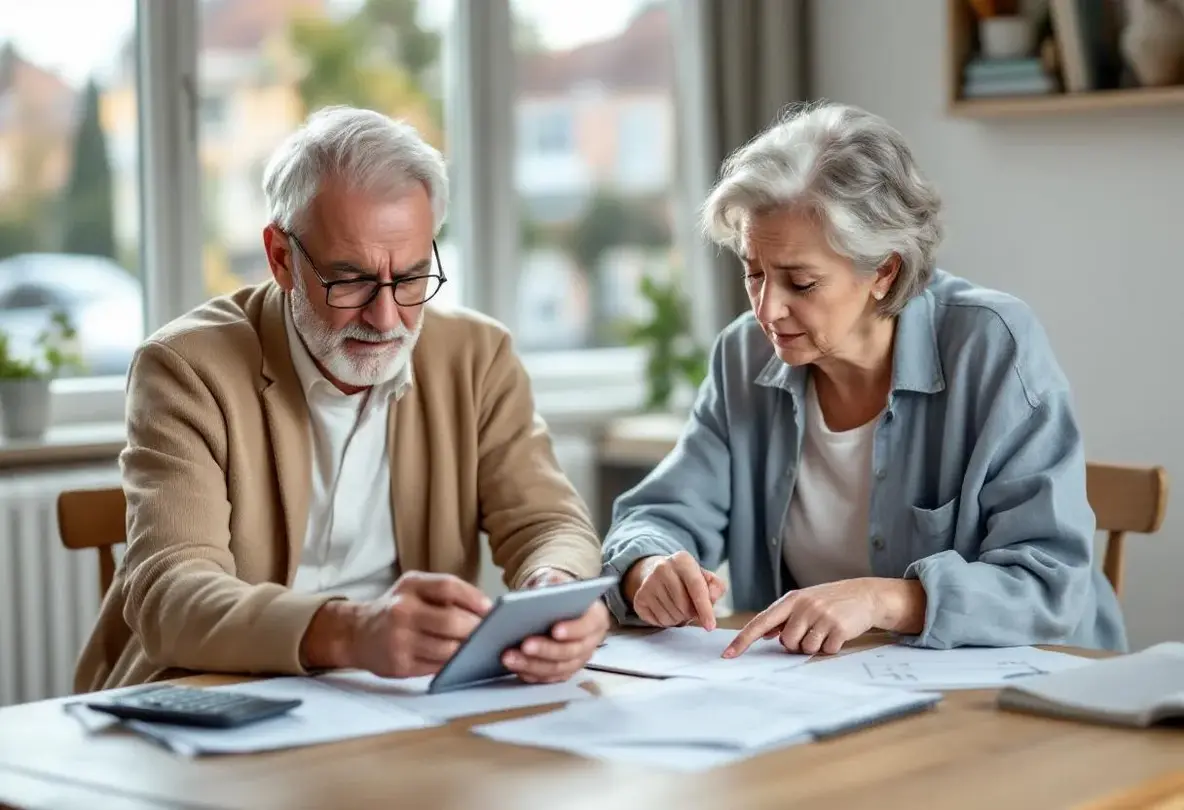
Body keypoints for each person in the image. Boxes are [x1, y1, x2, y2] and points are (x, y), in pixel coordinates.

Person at [75, 106, 609, 692]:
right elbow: (171, 592)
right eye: (350, 279)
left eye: (409, 278)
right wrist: (351, 631)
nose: (385, 318)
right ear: (281, 258)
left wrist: (555, 592)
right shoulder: (187, 369)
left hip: (399, 705)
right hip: (212, 695)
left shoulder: (477, 357)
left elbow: (548, 522)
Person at [599, 101, 1126, 657]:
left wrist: (883, 601)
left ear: (884, 271)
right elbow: (660, 515)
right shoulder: (743, 355)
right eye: (754, 273)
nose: (767, 310)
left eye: (800, 283)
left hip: (1035, 694)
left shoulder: (992, 346)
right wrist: (649, 566)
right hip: (831, 694)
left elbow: (1051, 585)